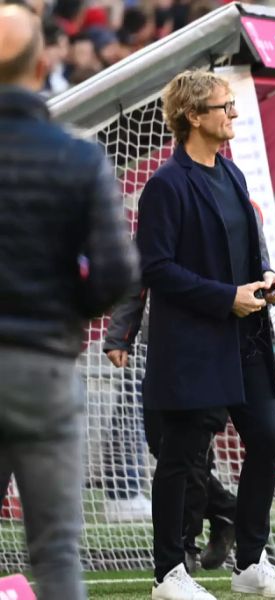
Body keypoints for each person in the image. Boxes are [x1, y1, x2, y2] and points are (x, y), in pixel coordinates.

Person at [136, 69, 275, 599]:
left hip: (246, 339)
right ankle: (168, 574)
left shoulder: (233, 175)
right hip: (194, 342)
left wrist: (267, 280)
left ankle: (250, 563)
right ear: (193, 115)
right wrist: (223, 297)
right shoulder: (165, 184)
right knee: (183, 456)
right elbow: (155, 268)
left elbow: (244, 252)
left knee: (269, 440)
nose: (234, 114)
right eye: (224, 106)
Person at [0, 5, 139, 598]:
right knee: (56, 552)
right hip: (44, 364)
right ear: (40, 67)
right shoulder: (79, 157)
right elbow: (117, 273)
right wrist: (69, 311)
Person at [103, 287, 238, 573]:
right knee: (162, 444)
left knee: (192, 447)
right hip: (165, 344)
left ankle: (184, 545)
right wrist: (119, 334)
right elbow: (139, 277)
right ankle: (225, 511)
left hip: (216, 343)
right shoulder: (154, 241)